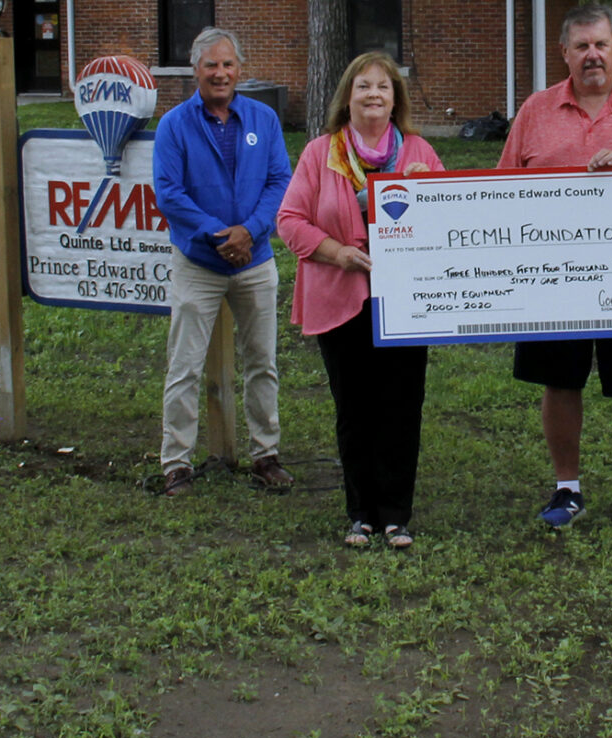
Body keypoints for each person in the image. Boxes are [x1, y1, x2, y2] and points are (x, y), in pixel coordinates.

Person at [499, 3, 612, 531]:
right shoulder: (535, 110)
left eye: (601, 44)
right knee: (560, 381)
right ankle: (567, 488)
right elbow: (502, 186)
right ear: (564, 54)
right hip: (553, 276)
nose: (592, 55)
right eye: (581, 47)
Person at [278, 52, 445, 547]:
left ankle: (396, 515)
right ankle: (361, 514)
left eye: (384, 87)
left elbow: (452, 221)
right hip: (340, 296)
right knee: (354, 407)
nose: (374, 94)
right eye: (363, 86)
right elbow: (289, 221)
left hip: (405, 301)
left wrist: (428, 190)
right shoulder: (319, 154)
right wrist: (337, 253)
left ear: (396, 100)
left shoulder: (418, 152)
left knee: (401, 404)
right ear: (346, 98)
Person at [154, 27, 292, 497]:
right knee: (184, 364)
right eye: (211, 65)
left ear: (240, 69)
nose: (221, 73)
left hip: (254, 261)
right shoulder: (174, 124)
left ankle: (266, 455)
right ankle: (176, 463)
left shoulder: (264, 119)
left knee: (263, 361)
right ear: (196, 70)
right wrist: (220, 235)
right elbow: (169, 193)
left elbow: (279, 182)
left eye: (228, 64)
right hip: (199, 261)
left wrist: (250, 231)